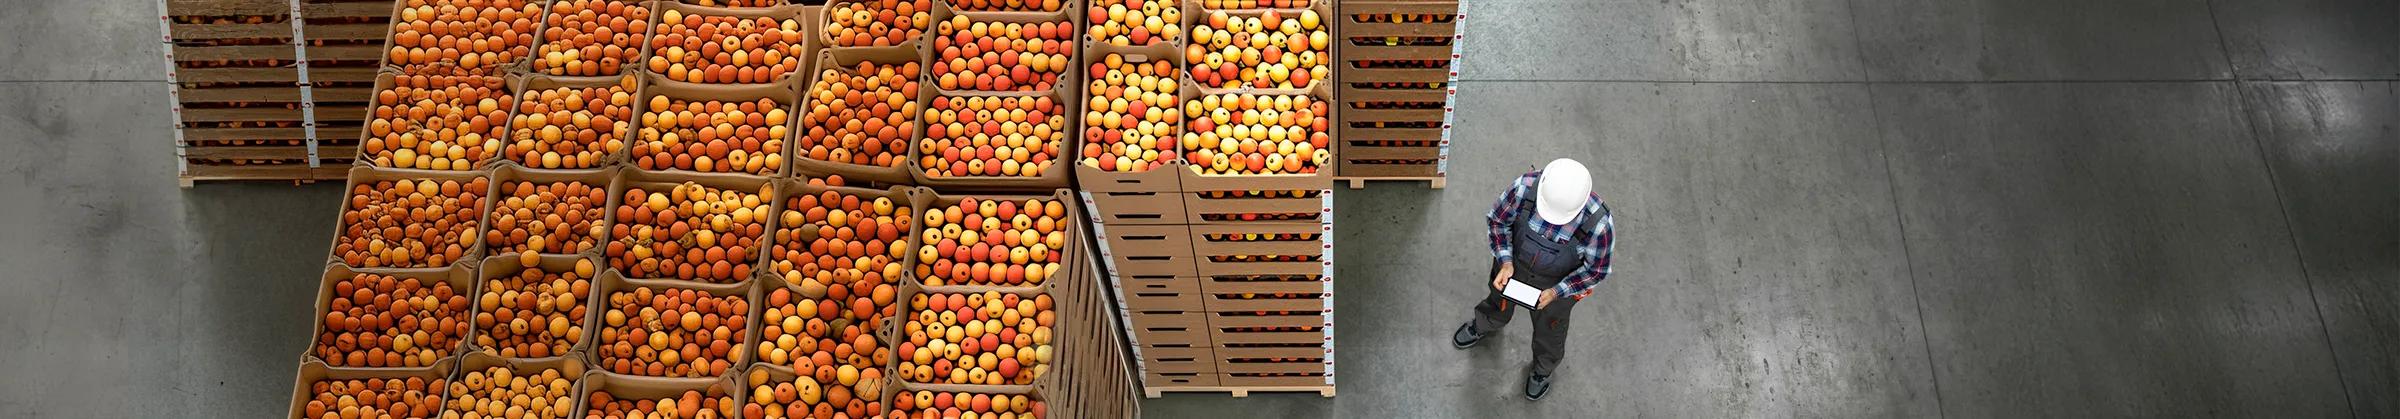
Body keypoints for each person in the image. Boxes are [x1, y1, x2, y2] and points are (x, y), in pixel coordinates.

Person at [1451, 158, 1615, 401]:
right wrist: (1505, 261)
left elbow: (1596, 271)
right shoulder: (1524, 188)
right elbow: (1498, 222)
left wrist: (1557, 291)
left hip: (1557, 286)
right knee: (1498, 300)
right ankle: (1486, 322)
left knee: (1551, 328)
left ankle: (1542, 369)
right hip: (1513, 266)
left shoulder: (1599, 225)